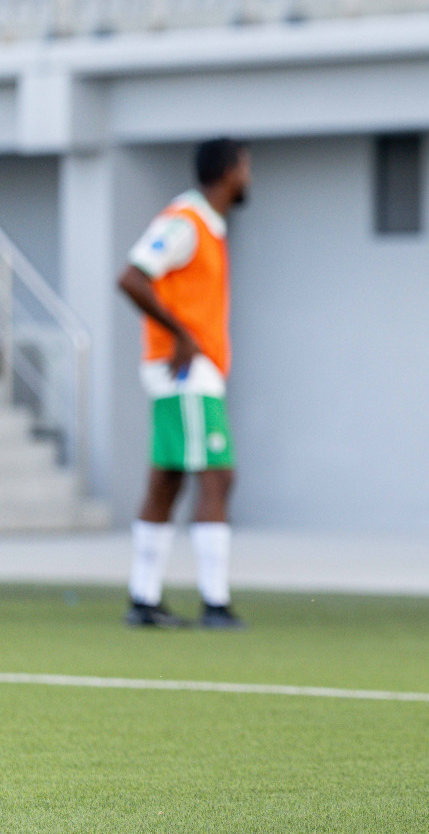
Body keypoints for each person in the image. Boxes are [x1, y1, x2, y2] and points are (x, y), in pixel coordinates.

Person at [117, 137, 251, 630]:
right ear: (230, 170)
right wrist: (180, 335)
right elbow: (132, 276)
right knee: (217, 475)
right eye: (245, 166)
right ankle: (215, 603)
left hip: (193, 370)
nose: (248, 177)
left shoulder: (208, 228)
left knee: (167, 479)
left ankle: (143, 597)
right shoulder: (185, 220)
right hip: (184, 373)